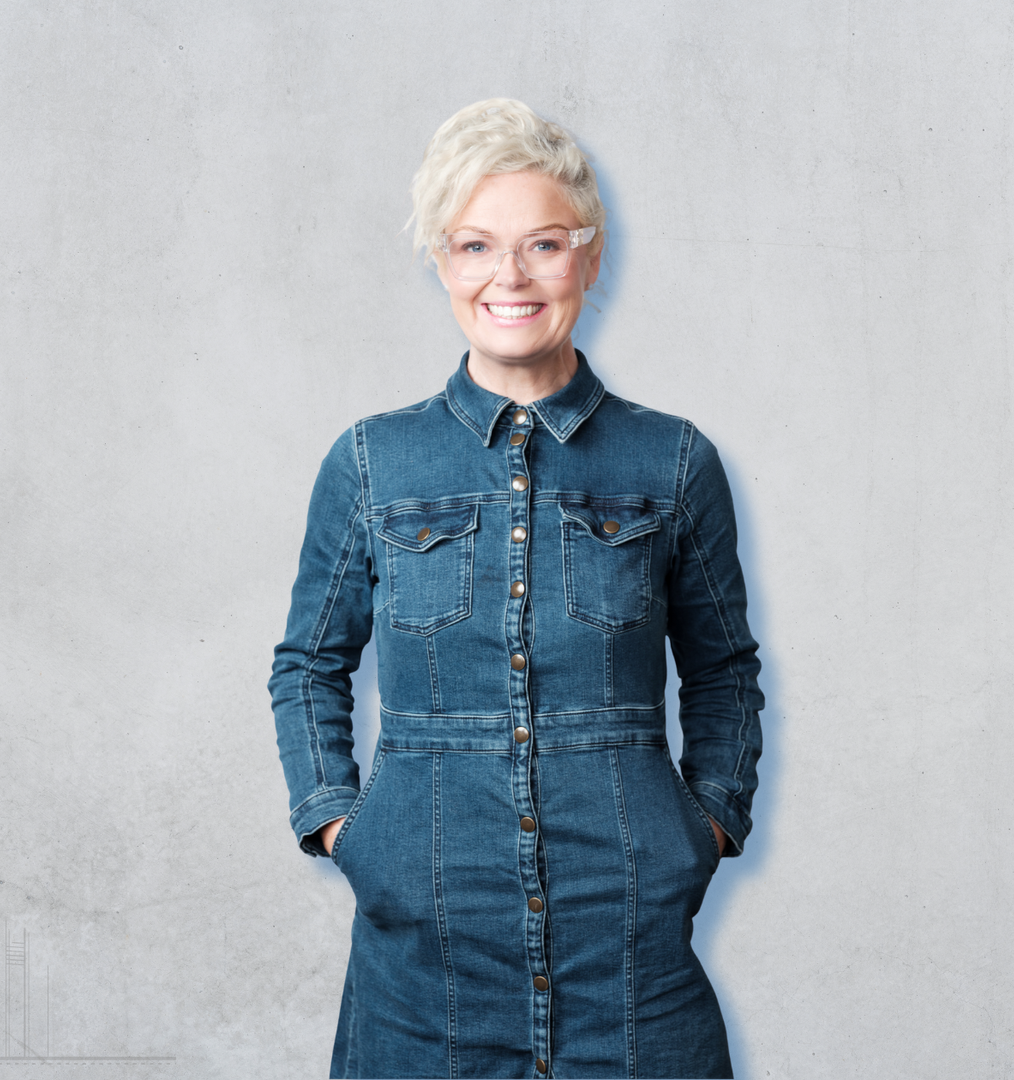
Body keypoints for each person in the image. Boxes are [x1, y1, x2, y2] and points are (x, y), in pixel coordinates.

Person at [268, 98, 763, 1079]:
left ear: (590, 255)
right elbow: (308, 665)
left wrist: (703, 826)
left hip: (629, 957)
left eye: (543, 243)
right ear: (441, 262)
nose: (510, 276)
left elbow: (725, 674)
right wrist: (343, 825)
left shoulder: (673, 461)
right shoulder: (371, 462)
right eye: (475, 246)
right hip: (422, 968)